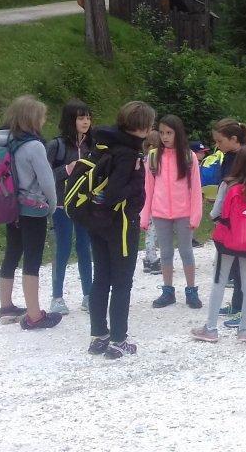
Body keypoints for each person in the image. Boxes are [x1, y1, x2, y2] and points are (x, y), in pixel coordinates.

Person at [87, 101, 156, 359]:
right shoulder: (128, 154)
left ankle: (99, 335)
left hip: (97, 221)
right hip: (121, 224)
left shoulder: (103, 143)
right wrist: (137, 186)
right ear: (144, 127)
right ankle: (118, 339)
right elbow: (115, 193)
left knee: (101, 278)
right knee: (122, 282)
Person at [191, 146, 246, 342]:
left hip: (228, 240)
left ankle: (211, 328)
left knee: (219, 281)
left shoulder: (227, 185)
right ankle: (244, 330)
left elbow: (215, 213)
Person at [0, 95, 60, 329]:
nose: (43, 121)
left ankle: (6, 308)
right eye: (42, 117)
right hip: (32, 210)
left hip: (10, 207)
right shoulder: (34, 146)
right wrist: (52, 205)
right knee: (32, 259)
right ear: (32, 118)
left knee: (12, 254)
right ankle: (34, 315)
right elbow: (47, 182)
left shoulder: (2, 142)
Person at [141, 115, 203, 309]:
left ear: (178, 133)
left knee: (186, 251)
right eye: (162, 133)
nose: (165, 137)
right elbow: (148, 189)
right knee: (165, 252)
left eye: (169, 133)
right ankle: (168, 291)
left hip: (184, 212)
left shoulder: (189, 157)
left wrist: (196, 215)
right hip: (160, 213)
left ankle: (191, 290)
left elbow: (196, 188)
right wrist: (144, 215)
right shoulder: (153, 157)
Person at [46, 99, 94, 315]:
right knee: (63, 249)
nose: (86, 122)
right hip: (60, 204)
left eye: (88, 117)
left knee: (85, 248)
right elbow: (44, 176)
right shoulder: (56, 145)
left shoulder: (91, 145)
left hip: (84, 204)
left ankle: (88, 295)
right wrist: (67, 169)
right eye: (81, 117)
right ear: (70, 119)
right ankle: (57, 297)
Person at [210, 118, 246, 327]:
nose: (217, 145)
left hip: (242, 221)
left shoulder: (245, 157)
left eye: (220, 141)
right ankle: (238, 305)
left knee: (243, 268)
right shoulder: (230, 156)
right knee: (237, 268)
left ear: (233, 139)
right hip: (232, 219)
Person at [140, 131, 163, 275]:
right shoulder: (153, 160)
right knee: (153, 230)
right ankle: (153, 259)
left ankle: (148, 259)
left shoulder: (143, 159)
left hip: (142, 198)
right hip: (152, 198)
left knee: (149, 229)